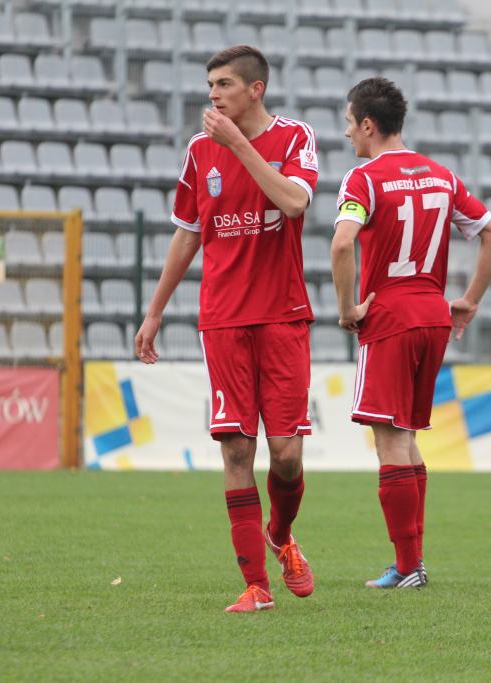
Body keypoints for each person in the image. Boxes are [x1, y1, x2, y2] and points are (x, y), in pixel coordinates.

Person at [134, 46, 319, 613]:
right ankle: (257, 587)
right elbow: (189, 232)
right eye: (210, 84)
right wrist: (155, 309)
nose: (212, 94)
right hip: (222, 319)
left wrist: (238, 144)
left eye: (224, 84)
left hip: (283, 315)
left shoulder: (294, 138)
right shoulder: (198, 152)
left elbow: (292, 202)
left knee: (285, 454)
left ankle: (282, 536)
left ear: (255, 89)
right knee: (237, 451)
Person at [330, 77, 491, 589]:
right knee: (405, 437)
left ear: (367, 124)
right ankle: (413, 563)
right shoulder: (440, 176)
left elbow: (342, 245)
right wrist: (469, 300)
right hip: (432, 317)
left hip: (389, 318)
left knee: (388, 442)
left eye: (348, 123)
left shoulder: (363, 179)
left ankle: (408, 566)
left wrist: (347, 308)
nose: (347, 134)